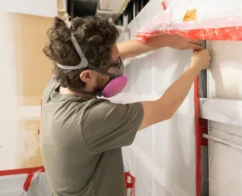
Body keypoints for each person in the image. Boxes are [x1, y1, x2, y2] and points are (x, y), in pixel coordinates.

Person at [40, 16, 211, 196]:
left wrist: (165, 40)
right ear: (87, 76)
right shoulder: (87, 120)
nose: (119, 68)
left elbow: (114, 53)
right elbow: (164, 109)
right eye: (114, 65)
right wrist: (196, 66)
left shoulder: (58, 85)